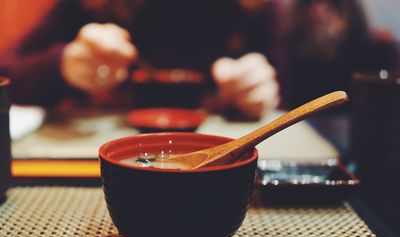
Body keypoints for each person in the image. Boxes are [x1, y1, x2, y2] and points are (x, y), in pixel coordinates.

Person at [0, 0, 284, 119]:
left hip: (224, 159)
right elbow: (7, 71)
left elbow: (290, 90)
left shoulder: (253, 8)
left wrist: (256, 86)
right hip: (96, 161)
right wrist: (63, 66)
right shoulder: (89, 5)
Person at [284, 0, 399, 109]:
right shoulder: (292, 52)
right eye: (313, 5)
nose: (319, 13)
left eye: (331, 8)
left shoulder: (377, 50)